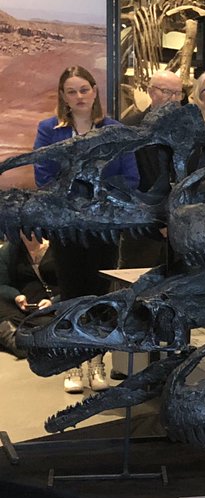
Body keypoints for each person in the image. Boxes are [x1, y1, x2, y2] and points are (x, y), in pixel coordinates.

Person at [33, 65, 138, 391]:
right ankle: (74, 364)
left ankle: (97, 361)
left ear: (94, 91)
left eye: (84, 89)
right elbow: (43, 175)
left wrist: (98, 196)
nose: (79, 96)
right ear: (63, 97)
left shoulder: (114, 129)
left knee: (99, 294)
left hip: (103, 226)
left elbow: (129, 176)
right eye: (71, 91)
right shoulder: (50, 130)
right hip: (66, 227)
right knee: (71, 293)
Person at [119, 69, 184, 270]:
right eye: (166, 92)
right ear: (150, 91)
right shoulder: (129, 128)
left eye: (178, 93)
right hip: (142, 231)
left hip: (180, 231)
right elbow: (128, 182)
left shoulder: (188, 129)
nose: (172, 99)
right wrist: (157, 221)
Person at [0, 233, 57, 361]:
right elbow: (2, 284)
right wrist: (16, 296)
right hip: (24, 309)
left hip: (52, 308)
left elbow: (72, 285)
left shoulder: (58, 246)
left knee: (46, 322)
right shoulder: (9, 251)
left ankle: (22, 338)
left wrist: (53, 301)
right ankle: (19, 340)